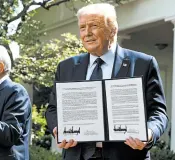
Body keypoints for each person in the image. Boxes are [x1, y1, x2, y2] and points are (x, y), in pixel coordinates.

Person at [45, 3, 168, 160]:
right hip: (77, 155)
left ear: (113, 29)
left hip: (127, 155)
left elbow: (158, 113)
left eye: (94, 26)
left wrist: (148, 133)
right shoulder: (66, 67)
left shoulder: (143, 64)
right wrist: (58, 128)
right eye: (82, 28)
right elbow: (53, 109)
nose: (87, 33)